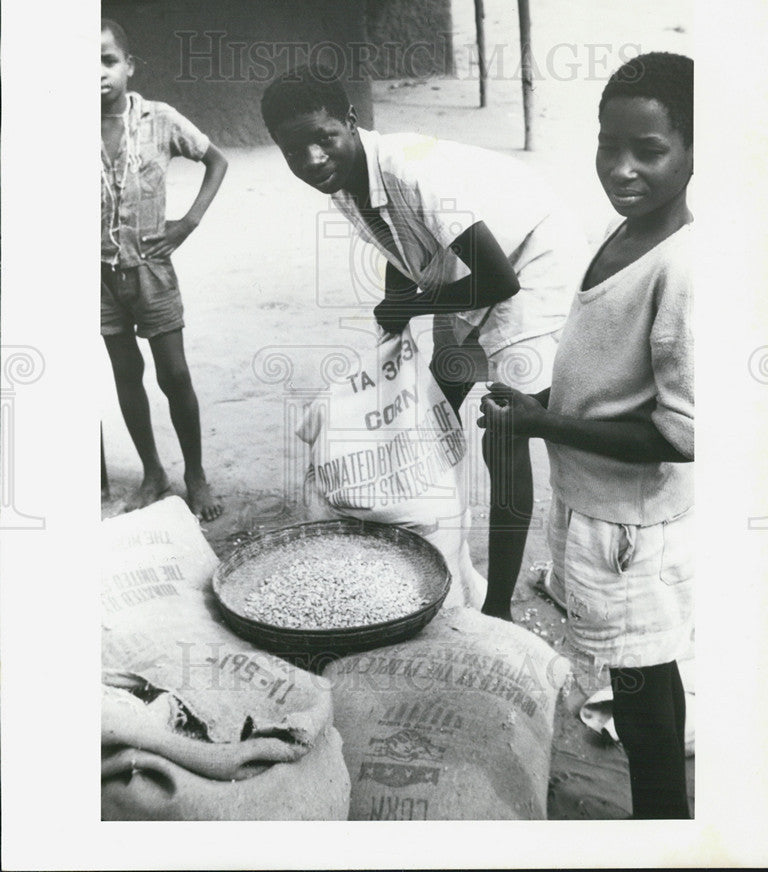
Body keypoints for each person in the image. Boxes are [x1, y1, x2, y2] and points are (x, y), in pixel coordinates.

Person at [260, 65, 587, 620]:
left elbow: (501, 282)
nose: (313, 158)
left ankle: (499, 607)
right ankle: (436, 547)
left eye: (323, 138)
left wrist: (410, 306)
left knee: (504, 427)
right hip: (466, 267)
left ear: (351, 120)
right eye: (295, 151)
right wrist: (393, 335)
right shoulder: (343, 175)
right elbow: (401, 247)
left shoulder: (410, 170)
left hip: (532, 259)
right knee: (432, 401)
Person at [479, 52, 694, 819]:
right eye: (609, 145)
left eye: (650, 150)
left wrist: (541, 423)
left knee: (639, 694)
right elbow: (608, 376)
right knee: (641, 668)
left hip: (629, 523)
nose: (622, 168)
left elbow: (677, 432)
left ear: (697, 153)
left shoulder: (682, 268)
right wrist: (538, 400)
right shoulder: (623, 230)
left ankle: (663, 825)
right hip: (593, 502)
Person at [101, 18, 227, 521]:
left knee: (173, 373)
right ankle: (153, 472)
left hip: (152, 268)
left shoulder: (159, 120)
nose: (97, 73)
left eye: (108, 60)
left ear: (129, 66)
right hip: (98, 276)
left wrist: (188, 223)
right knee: (125, 371)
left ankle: (195, 475)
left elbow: (215, 160)